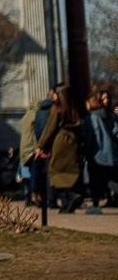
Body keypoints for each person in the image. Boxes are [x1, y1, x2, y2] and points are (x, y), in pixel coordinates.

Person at [34, 84, 83, 212]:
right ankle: (68, 204)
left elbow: (49, 129)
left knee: (54, 171)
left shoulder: (56, 108)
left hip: (60, 141)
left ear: (60, 95)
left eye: (55, 93)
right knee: (69, 171)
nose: (54, 96)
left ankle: (71, 195)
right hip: (72, 141)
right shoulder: (73, 108)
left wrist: (40, 146)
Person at [81, 90, 117, 211]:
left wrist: (85, 151)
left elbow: (89, 137)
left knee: (96, 181)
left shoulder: (91, 118)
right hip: (108, 152)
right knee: (107, 180)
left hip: (96, 154)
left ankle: (96, 206)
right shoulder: (105, 115)